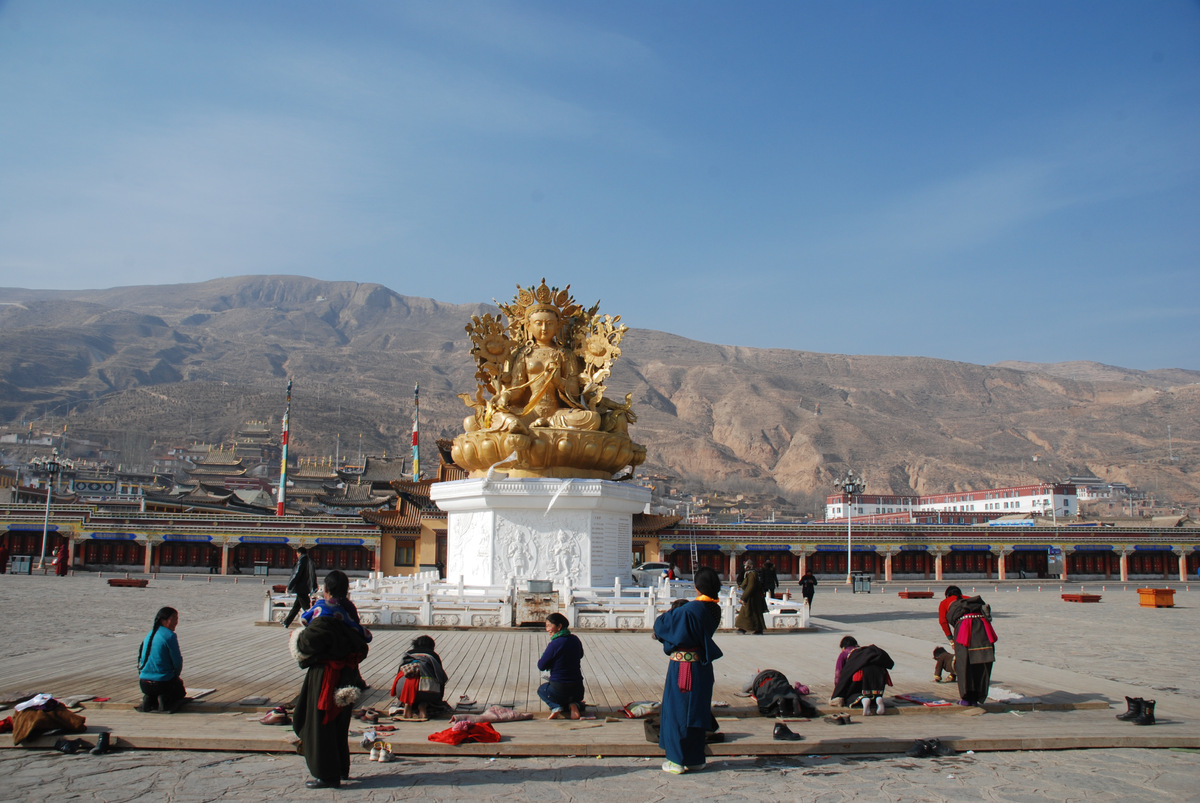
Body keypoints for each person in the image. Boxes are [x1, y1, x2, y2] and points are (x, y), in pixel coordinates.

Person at [290, 570, 370, 790]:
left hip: (325, 678)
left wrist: (296, 638)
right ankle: (340, 768)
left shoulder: (324, 616)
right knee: (339, 724)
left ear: (326, 589)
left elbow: (306, 644)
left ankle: (326, 774)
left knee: (321, 724)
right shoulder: (348, 612)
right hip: (347, 676)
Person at [653, 566, 723, 774]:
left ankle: (677, 760)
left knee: (678, 712)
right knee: (696, 711)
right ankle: (694, 758)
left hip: (684, 668)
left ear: (696, 586)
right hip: (701, 667)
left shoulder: (692, 609)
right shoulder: (714, 609)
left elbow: (661, 626)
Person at [491, 302, 601, 433]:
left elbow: (574, 391)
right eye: (539, 323)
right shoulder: (524, 354)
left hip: (556, 414)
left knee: (593, 418)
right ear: (528, 326)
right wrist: (506, 396)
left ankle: (545, 423)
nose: (544, 328)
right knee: (496, 415)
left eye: (549, 323)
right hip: (529, 412)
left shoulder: (565, 354)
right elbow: (518, 389)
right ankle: (519, 423)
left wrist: (558, 380)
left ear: (558, 326)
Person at [945, 594, 997, 706]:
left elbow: (945, 620)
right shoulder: (979, 612)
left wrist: (950, 638)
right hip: (983, 631)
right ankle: (978, 696)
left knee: (964, 665)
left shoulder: (956, 612)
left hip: (964, 632)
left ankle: (966, 698)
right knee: (982, 664)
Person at [137, 606, 186, 713]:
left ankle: (150, 699)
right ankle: (165, 701)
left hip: (144, 683)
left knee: (155, 688)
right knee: (180, 691)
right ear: (164, 620)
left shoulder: (150, 634)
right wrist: (176, 677)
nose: (176, 622)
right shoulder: (169, 636)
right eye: (173, 619)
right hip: (162, 684)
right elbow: (177, 661)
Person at [537, 613, 585, 720]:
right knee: (571, 696)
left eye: (549, 626)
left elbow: (541, 665)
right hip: (578, 690)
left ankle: (556, 707)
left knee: (542, 690)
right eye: (546, 626)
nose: (547, 629)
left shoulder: (555, 644)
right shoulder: (575, 639)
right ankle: (574, 705)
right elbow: (580, 655)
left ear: (559, 627)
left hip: (560, 689)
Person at [830, 636, 894, 716]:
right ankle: (878, 698)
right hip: (880, 671)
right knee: (873, 691)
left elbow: (838, 674)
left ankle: (863, 700)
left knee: (851, 695)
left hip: (862, 672)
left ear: (843, 647)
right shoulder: (865, 652)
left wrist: (838, 690)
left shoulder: (845, 653)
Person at [392, 635, 449, 720]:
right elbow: (441, 678)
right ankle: (424, 704)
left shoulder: (408, 654)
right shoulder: (433, 655)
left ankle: (407, 704)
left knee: (407, 687)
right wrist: (438, 699)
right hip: (426, 690)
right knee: (429, 695)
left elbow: (398, 676)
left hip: (402, 690)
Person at [282, 547, 317, 628]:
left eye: (297, 554)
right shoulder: (310, 561)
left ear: (299, 553)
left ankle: (312, 622)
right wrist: (314, 585)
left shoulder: (302, 561)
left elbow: (297, 574)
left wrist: (290, 585)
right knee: (296, 606)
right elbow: (313, 575)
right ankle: (286, 622)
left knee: (306, 608)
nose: (297, 555)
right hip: (305, 587)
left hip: (301, 588)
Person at [735, 559, 767, 635]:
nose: (745, 567)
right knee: (754, 613)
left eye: (746, 565)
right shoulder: (750, 573)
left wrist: (743, 597)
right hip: (752, 597)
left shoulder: (752, 574)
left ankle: (743, 628)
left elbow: (751, 586)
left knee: (746, 613)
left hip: (752, 597)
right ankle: (757, 628)